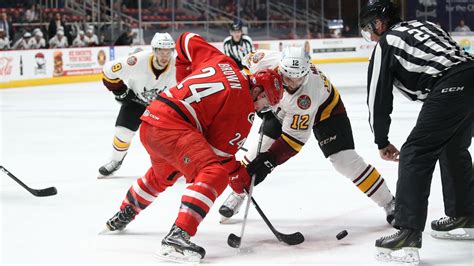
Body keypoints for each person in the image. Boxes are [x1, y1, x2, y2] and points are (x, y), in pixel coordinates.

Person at [103, 32, 283, 263]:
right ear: (257, 90)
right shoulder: (243, 108)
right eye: (265, 101)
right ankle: (177, 237)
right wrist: (239, 176)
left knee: (163, 174)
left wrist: (182, 81)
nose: (262, 108)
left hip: (151, 120)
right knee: (213, 173)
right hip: (172, 128)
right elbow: (219, 155)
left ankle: (125, 211)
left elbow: (186, 39)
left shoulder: (224, 62)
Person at [219, 47, 396, 226]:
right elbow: (245, 70)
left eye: (298, 79)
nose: (292, 83)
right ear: (279, 67)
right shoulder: (265, 59)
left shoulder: (306, 95)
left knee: (345, 161)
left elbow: (292, 141)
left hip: (326, 113)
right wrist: (255, 95)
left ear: (306, 73)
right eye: (287, 78)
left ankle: (389, 202)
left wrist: (269, 161)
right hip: (280, 106)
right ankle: (238, 192)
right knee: (256, 153)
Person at [359, 0, 474, 263]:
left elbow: (378, 97)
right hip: (470, 73)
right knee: (452, 147)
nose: (370, 35)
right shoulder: (426, 24)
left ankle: (407, 233)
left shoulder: (386, 42)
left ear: (379, 23)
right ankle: (465, 214)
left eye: (368, 28)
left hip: (449, 85)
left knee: (415, 152)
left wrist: (381, 139)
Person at [98, 32, 177, 177]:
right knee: (123, 132)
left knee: (170, 136)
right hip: (136, 102)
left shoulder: (178, 65)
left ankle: (173, 165)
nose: (165, 55)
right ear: (154, 50)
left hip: (163, 107)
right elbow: (108, 71)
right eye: (161, 50)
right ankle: (116, 161)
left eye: (168, 51)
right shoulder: (137, 61)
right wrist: (120, 91)